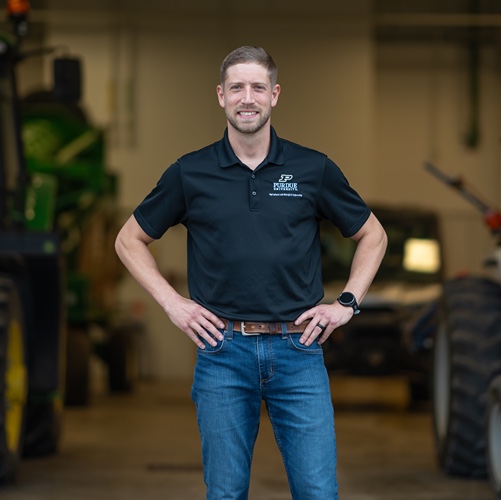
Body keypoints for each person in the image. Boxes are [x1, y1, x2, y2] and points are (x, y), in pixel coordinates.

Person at [115, 45, 387, 500]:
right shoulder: (190, 172)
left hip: (299, 352)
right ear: (220, 96)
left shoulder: (312, 169)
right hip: (223, 351)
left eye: (258, 87)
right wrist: (174, 304)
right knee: (225, 494)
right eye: (236, 87)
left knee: (318, 491)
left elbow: (373, 235)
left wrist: (347, 304)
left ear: (275, 95)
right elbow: (128, 239)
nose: (248, 97)